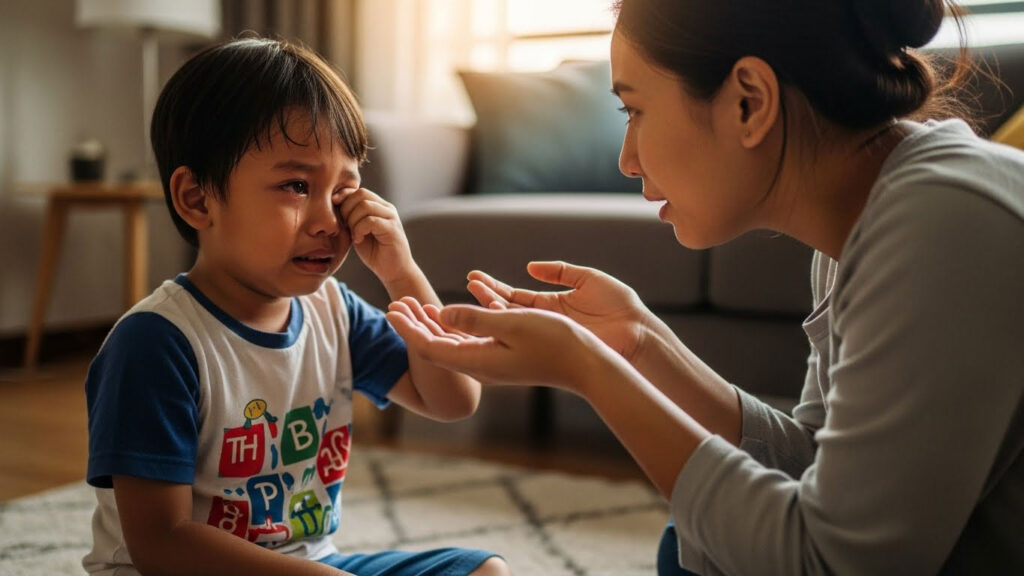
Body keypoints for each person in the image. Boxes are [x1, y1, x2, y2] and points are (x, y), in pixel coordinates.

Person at [384, 0, 1024, 574]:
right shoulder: (873, 220)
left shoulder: (944, 222)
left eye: (634, 110)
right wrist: (640, 346)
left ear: (749, 101)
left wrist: (588, 370)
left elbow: (830, 561)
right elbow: (810, 467)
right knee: (693, 545)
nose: (626, 159)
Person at [82, 37, 510, 576]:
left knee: (483, 571)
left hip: (312, 564)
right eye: (295, 185)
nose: (329, 221)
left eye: (343, 192)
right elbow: (161, 544)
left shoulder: (335, 312)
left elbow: (453, 399)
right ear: (197, 198)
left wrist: (401, 274)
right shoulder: (157, 342)